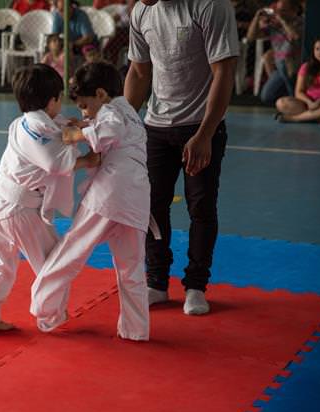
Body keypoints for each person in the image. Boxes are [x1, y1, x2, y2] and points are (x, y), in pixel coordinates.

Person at [125, 0, 239, 315]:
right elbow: (139, 71)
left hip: (200, 126)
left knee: (200, 206)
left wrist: (205, 134)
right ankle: (156, 282)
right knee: (151, 206)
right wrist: (118, 123)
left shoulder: (210, 6)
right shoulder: (141, 11)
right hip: (156, 127)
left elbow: (224, 71)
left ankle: (196, 286)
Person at [0, 64, 99, 334]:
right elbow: (54, 162)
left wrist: (84, 127)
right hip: (19, 209)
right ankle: (51, 316)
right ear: (51, 101)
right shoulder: (37, 130)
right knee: (54, 262)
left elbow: (61, 131)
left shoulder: (29, 122)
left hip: (1, 203)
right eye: (59, 98)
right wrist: (89, 160)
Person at [30, 62, 152, 340]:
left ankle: (44, 309)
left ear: (100, 94)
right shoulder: (129, 112)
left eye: (85, 105)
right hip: (136, 200)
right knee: (131, 268)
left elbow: (111, 130)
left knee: (71, 250)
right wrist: (86, 124)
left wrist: (76, 134)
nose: (83, 112)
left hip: (109, 195)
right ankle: (135, 330)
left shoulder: (111, 112)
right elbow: (112, 127)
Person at [275, 35, 320, 124]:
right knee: (281, 102)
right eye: (317, 49)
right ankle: (318, 117)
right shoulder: (306, 67)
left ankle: (294, 118)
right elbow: (298, 92)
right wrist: (309, 102)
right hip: (307, 104)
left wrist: (318, 102)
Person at [246, 0, 303, 105]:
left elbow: (295, 37)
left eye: (283, 11)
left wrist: (282, 20)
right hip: (281, 68)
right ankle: (289, 99)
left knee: (284, 64)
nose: (279, 13)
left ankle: (295, 100)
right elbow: (250, 37)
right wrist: (256, 18)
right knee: (267, 96)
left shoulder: (300, 22)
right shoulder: (274, 25)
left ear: (294, 11)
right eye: (278, 10)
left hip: (296, 67)